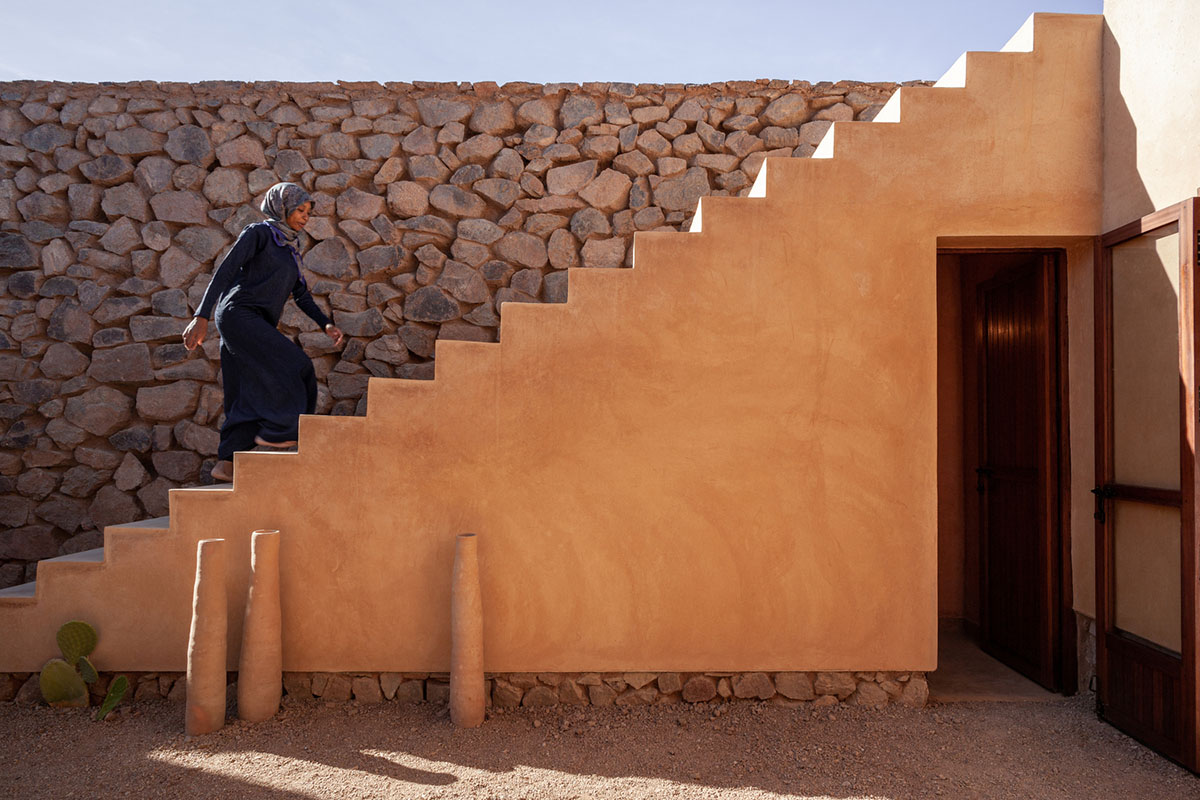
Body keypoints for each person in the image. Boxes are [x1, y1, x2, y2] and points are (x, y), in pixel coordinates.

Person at [182, 182, 344, 483]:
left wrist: (325, 324)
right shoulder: (259, 234)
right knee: (298, 366)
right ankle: (283, 431)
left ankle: (227, 462)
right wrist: (201, 315)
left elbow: (302, 295)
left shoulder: (291, 250)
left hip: (254, 322)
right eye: (299, 210)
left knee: (243, 390)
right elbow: (225, 271)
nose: (305, 216)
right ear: (281, 208)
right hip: (238, 315)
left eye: (308, 212)